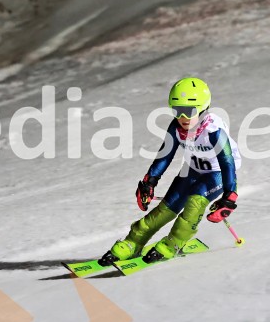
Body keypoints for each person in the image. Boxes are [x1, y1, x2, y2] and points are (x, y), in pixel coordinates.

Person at [100, 77, 241, 265]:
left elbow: (227, 162)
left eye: (188, 111)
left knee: (194, 203)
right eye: (177, 110)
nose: (183, 117)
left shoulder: (214, 131)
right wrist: (150, 181)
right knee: (166, 209)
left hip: (217, 173)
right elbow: (165, 156)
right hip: (192, 169)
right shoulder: (176, 127)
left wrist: (229, 196)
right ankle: (132, 243)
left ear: (202, 108)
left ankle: (172, 244)